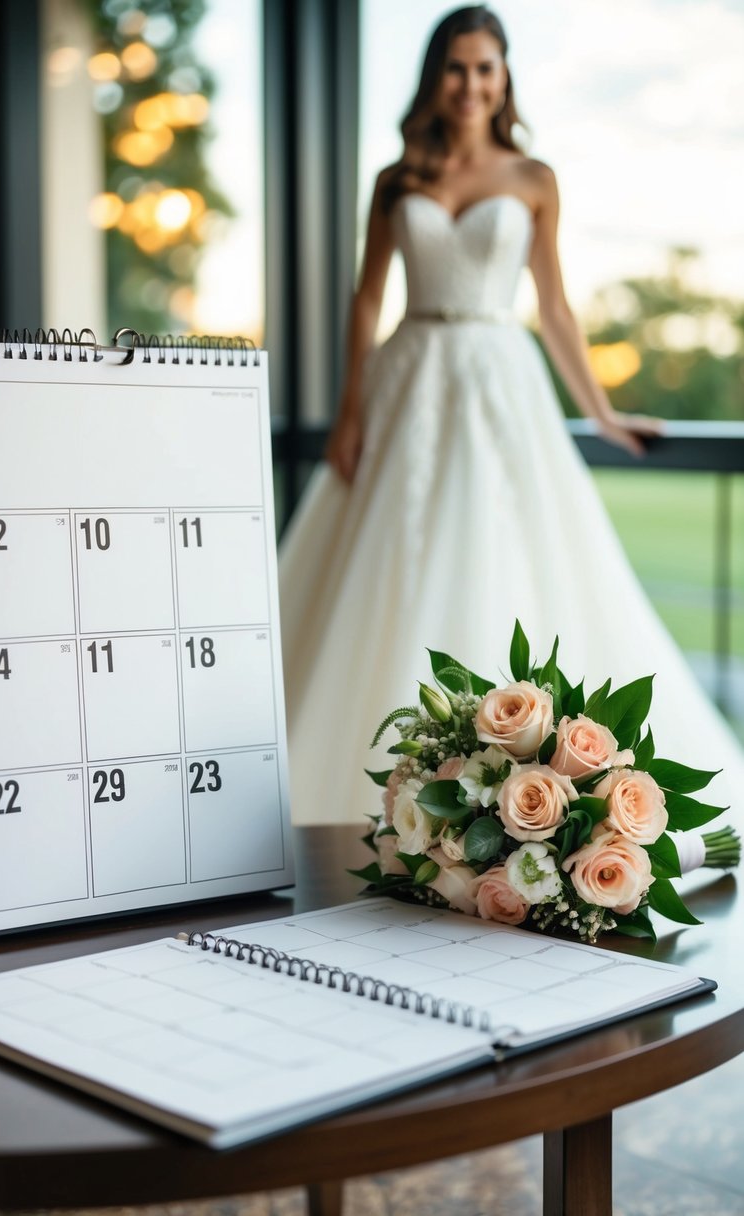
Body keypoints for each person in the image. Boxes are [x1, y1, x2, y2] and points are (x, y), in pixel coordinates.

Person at [278, 4, 744, 826]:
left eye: (485, 68)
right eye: (456, 68)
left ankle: (506, 775)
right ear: (435, 78)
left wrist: (599, 411)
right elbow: (365, 301)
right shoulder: (397, 180)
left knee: (505, 544)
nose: (470, 84)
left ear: (503, 78)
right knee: (385, 549)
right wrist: (347, 413)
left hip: (499, 376)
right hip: (408, 374)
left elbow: (556, 310)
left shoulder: (533, 179)